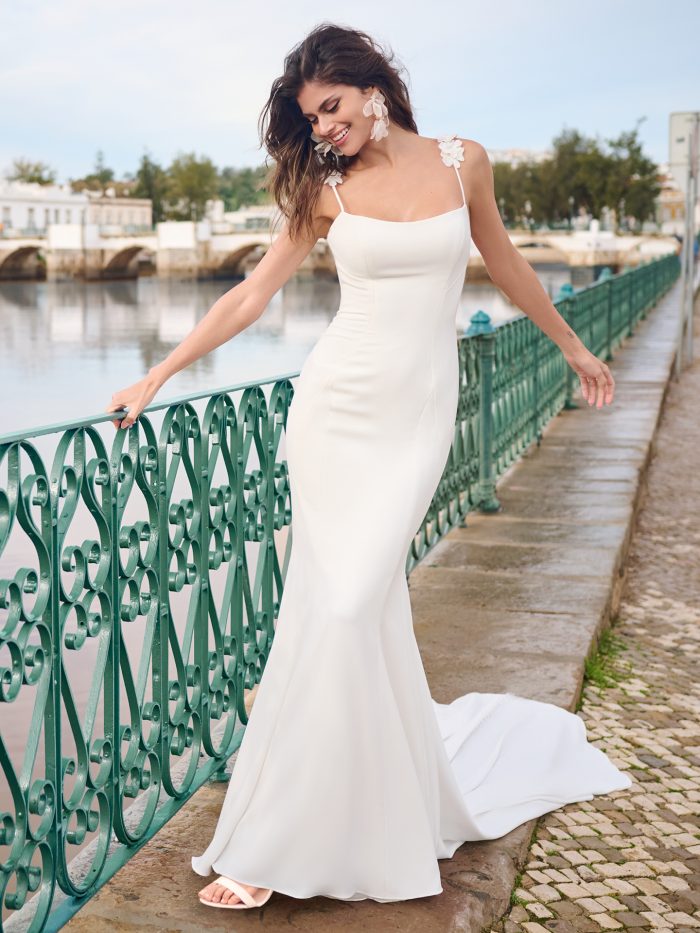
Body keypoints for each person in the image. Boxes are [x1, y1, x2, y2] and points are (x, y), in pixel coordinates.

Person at [105, 23, 627, 911]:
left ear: (369, 83)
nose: (326, 130)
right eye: (312, 120)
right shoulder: (324, 190)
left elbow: (504, 267)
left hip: (416, 416)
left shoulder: (465, 163)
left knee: (354, 607)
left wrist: (574, 347)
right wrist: (161, 370)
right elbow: (252, 292)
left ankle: (361, 800)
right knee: (337, 609)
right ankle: (280, 836)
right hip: (335, 411)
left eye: (333, 108)